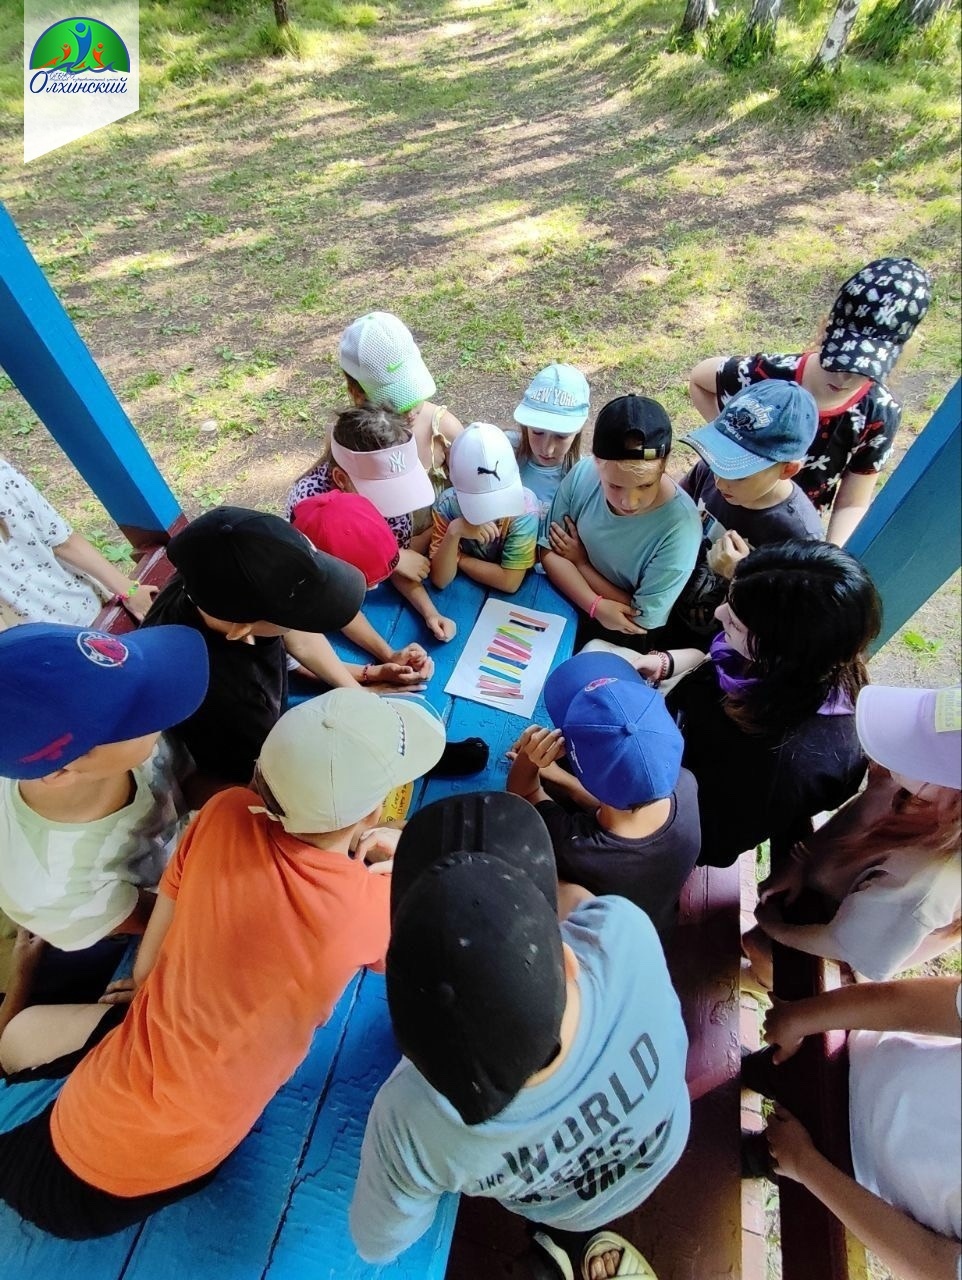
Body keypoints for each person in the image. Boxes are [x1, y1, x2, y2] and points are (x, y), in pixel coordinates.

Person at [0, 689, 446, 1239]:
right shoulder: (373, 907)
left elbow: (144, 974)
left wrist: (145, 992)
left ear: (263, 774)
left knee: (16, 1038)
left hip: (88, 1153)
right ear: (375, 813)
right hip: (190, 1159)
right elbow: (390, 943)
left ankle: (26, 985)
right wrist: (398, 860)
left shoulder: (225, 812)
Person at [349, 791, 687, 1280]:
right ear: (567, 961)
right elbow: (578, 904)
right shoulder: (623, 935)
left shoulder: (410, 1119)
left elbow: (377, 1241)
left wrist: (430, 889)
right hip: (653, 1157)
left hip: (555, 1204)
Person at [605, 541, 880, 868]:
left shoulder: (784, 768)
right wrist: (671, 664)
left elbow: (705, 843)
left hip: (660, 819)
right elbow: (718, 658)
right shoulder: (805, 656)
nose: (719, 614)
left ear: (780, 654)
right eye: (729, 599)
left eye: (735, 623)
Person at [0, 621, 209, 1039]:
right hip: (138, 907)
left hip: (176, 852)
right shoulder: (53, 887)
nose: (157, 712)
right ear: (61, 771)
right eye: (134, 716)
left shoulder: (114, 749)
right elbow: (152, 920)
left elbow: (186, 779)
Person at [688, 257, 933, 545]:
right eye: (838, 361)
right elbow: (700, 379)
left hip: (787, 533)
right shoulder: (772, 375)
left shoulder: (879, 413)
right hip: (725, 495)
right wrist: (739, 449)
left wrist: (828, 555)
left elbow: (853, 501)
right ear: (826, 330)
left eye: (861, 371)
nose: (843, 378)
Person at [141, 506, 366, 804]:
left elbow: (299, 637)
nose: (302, 622)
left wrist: (359, 692)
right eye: (297, 615)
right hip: (247, 765)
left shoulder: (208, 575)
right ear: (242, 629)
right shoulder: (232, 699)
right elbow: (259, 780)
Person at [748, 684, 961, 986]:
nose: (890, 749)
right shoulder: (916, 786)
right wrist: (802, 858)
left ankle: (758, 981)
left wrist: (776, 929)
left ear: (953, 801)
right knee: (754, 944)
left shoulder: (928, 883)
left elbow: (845, 946)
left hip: (852, 935)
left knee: (762, 953)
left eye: (917, 749)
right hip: (829, 887)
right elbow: (861, 813)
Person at [756, 977, 961, 1280]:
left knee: (725, 1156)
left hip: (841, 1158)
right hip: (836, 1078)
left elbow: (932, 1262)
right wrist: (803, 1163)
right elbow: (930, 1261)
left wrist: (804, 1163)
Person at [506, 651, 700, 936]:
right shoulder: (683, 783)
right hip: (653, 912)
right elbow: (614, 803)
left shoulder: (578, 849)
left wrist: (529, 759)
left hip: (598, 933)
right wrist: (559, 777)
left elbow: (524, 794)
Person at [539, 395, 701, 650]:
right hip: (566, 601)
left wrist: (580, 564)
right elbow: (547, 550)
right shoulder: (583, 474)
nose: (629, 501)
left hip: (618, 637)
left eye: (645, 485)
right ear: (597, 461)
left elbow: (640, 617)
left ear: (664, 464)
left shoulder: (681, 530)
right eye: (614, 486)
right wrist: (594, 604)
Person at [667, 380, 822, 645]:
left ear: (787, 469)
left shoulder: (800, 536)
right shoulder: (709, 472)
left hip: (719, 644)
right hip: (669, 604)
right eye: (717, 460)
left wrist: (740, 573)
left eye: (739, 474)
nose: (720, 481)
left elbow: (787, 620)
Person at [285, 404, 454, 637]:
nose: (396, 501)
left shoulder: (395, 503)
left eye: (400, 485)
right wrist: (395, 560)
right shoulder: (309, 511)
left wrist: (431, 613)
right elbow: (330, 589)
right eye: (383, 491)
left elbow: (395, 564)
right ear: (341, 479)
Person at [338, 311, 463, 540]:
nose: (410, 411)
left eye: (412, 394)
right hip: (383, 549)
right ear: (357, 393)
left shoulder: (442, 430)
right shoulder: (347, 441)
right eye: (394, 403)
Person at [292, 491, 455, 658]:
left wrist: (431, 613)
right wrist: (388, 654)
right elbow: (342, 608)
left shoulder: (358, 521)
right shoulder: (308, 576)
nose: (376, 586)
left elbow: (392, 569)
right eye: (367, 581)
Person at [1, 457, 156, 629]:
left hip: (35, 637)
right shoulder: (3, 474)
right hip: (88, 608)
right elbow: (63, 542)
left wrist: (130, 591)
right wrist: (129, 591)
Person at [430, 422, 539, 595]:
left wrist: (459, 558)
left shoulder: (526, 509)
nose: (491, 512)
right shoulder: (448, 505)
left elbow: (510, 582)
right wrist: (454, 532)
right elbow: (440, 579)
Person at [509, 363, 590, 540]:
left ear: (578, 430)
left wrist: (578, 553)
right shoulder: (503, 453)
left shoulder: (585, 478)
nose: (547, 449)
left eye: (561, 436)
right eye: (537, 432)